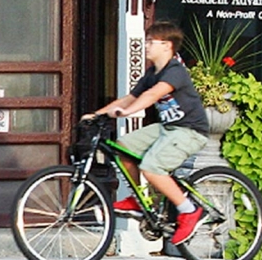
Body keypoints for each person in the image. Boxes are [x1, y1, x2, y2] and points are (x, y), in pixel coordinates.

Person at [83, 20, 209, 246]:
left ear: (167, 46)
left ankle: (189, 210)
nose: (146, 45)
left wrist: (126, 113)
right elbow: (129, 98)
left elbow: (151, 96)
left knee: (151, 167)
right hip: (168, 129)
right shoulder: (153, 72)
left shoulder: (175, 71)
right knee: (123, 147)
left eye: (151, 41)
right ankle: (141, 201)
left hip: (189, 131)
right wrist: (97, 114)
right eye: (147, 40)